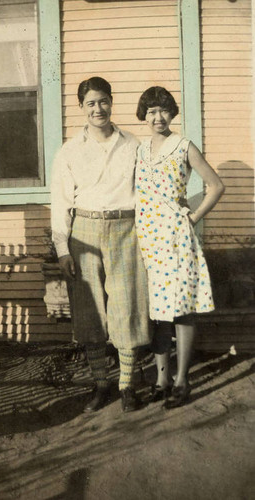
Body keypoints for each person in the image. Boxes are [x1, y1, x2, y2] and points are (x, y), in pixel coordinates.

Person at [51, 76, 150, 413]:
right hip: (85, 231)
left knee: (127, 307)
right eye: (91, 103)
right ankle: (100, 385)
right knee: (90, 312)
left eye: (103, 101)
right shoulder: (69, 150)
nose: (98, 108)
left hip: (127, 229)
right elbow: (61, 202)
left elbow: (148, 194)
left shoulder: (133, 144)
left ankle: (127, 386)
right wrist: (63, 249)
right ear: (82, 108)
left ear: (111, 102)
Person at [135, 86, 225, 408]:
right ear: (144, 116)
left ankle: (182, 381)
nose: (157, 117)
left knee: (182, 310)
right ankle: (161, 379)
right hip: (148, 241)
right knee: (158, 314)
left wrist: (193, 218)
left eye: (163, 110)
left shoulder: (184, 146)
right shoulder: (139, 149)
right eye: (151, 112)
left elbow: (216, 186)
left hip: (176, 240)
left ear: (172, 113)